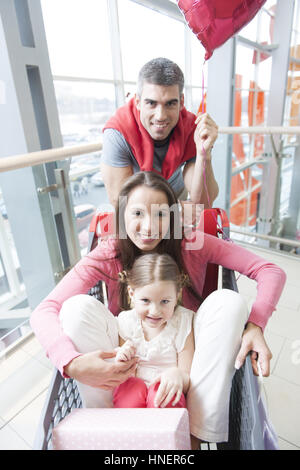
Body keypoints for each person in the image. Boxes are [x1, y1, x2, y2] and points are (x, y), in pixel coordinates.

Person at [30, 171, 286, 449]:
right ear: (121, 216)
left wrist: (256, 324)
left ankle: (193, 437)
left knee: (229, 302)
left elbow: (269, 270)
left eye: (161, 214)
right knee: (75, 308)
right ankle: (108, 427)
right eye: (137, 213)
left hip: (186, 357)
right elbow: (46, 310)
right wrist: (72, 363)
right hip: (127, 359)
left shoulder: (191, 243)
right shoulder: (110, 252)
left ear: (172, 217)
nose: (149, 226)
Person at [101, 57, 219, 208]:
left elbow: (203, 202)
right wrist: (175, 209)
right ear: (137, 101)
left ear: (181, 102)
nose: (160, 116)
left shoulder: (192, 128)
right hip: (138, 205)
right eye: (151, 103)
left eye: (170, 104)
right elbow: (120, 201)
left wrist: (204, 155)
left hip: (175, 194)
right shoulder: (118, 131)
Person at [113, 253, 194, 410]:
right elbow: (123, 371)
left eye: (164, 301)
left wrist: (177, 375)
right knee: (129, 389)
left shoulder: (183, 322)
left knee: (163, 394)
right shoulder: (126, 322)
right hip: (133, 389)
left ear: (177, 295)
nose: (155, 311)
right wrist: (122, 356)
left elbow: (187, 375)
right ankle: (129, 431)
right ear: (132, 294)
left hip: (166, 389)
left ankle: (162, 432)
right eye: (145, 301)